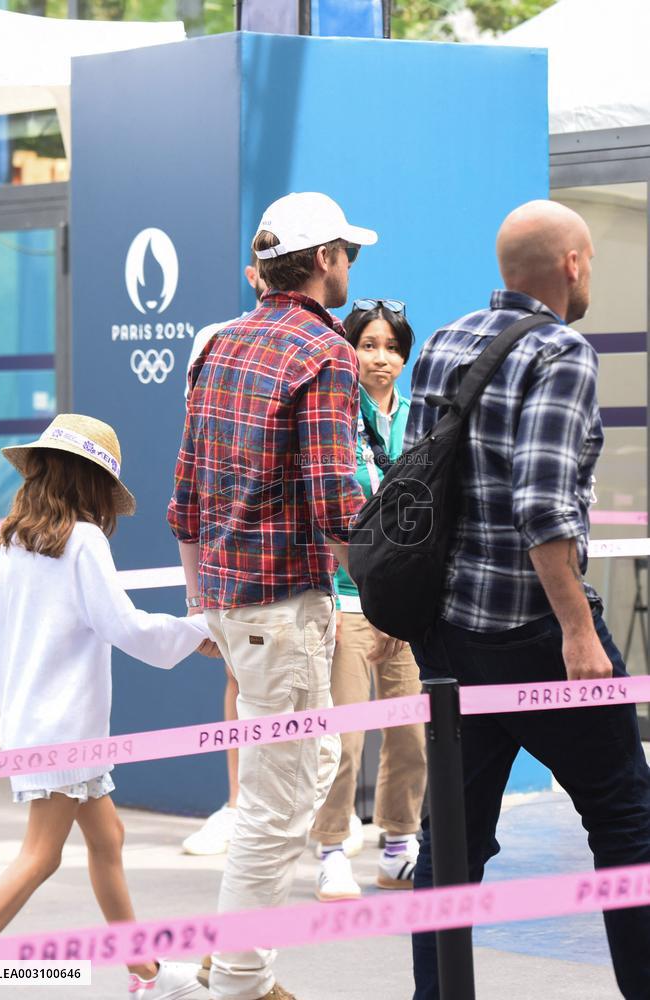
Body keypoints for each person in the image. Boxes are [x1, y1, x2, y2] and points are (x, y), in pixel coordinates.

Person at [405, 200, 650, 1000]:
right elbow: (544, 504)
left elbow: (416, 490)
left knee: (453, 835)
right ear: (573, 264)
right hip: (534, 632)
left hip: (448, 639)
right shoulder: (561, 351)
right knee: (626, 817)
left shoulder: (444, 342)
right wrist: (579, 632)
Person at [168, 192, 393, 1000]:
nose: (351, 269)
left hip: (232, 604)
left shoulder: (218, 344)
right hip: (285, 607)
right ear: (324, 258)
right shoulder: (322, 352)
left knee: (297, 772)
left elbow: (185, 496)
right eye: (348, 255)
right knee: (278, 800)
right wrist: (384, 589)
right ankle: (238, 978)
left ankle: (237, 958)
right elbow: (336, 498)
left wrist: (202, 605)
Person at [0, 413, 216, 1000]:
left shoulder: (17, 537)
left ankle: (146, 974)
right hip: (66, 728)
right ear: (93, 482)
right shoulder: (82, 540)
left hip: (41, 719)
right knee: (39, 857)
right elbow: (125, 627)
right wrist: (198, 629)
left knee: (107, 837)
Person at [311, 298, 427, 901]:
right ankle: (331, 849)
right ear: (349, 348)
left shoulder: (420, 417)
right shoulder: (334, 417)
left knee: (410, 735)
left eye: (391, 346)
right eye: (368, 344)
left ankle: (399, 846)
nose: (381, 358)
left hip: (407, 605)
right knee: (344, 739)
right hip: (347, 600)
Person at [180, 254, 268, 858]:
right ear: (251, 272)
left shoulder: (326, 342)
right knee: (239, 674)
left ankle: (329, 833)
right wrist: (197, 594)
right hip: (231, 548)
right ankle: (240, 807)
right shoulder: (214, 341)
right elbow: (197, 446)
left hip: (305, 560)